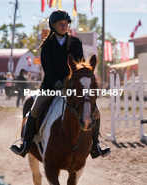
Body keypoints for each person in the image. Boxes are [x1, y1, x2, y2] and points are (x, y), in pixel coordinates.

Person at [10, 9, 111, 158]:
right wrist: (56, 82)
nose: (64, 26)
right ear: (53, 26)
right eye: (60, 24)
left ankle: (95, 145)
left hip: (72, 87)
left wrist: (73, 83)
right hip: (51, 87)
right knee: (35, 109)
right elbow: (47, 68)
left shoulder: (76, 43)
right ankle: (25, 143)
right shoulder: (47, 45)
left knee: (95, 112)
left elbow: (80, 65)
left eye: (66, 23)